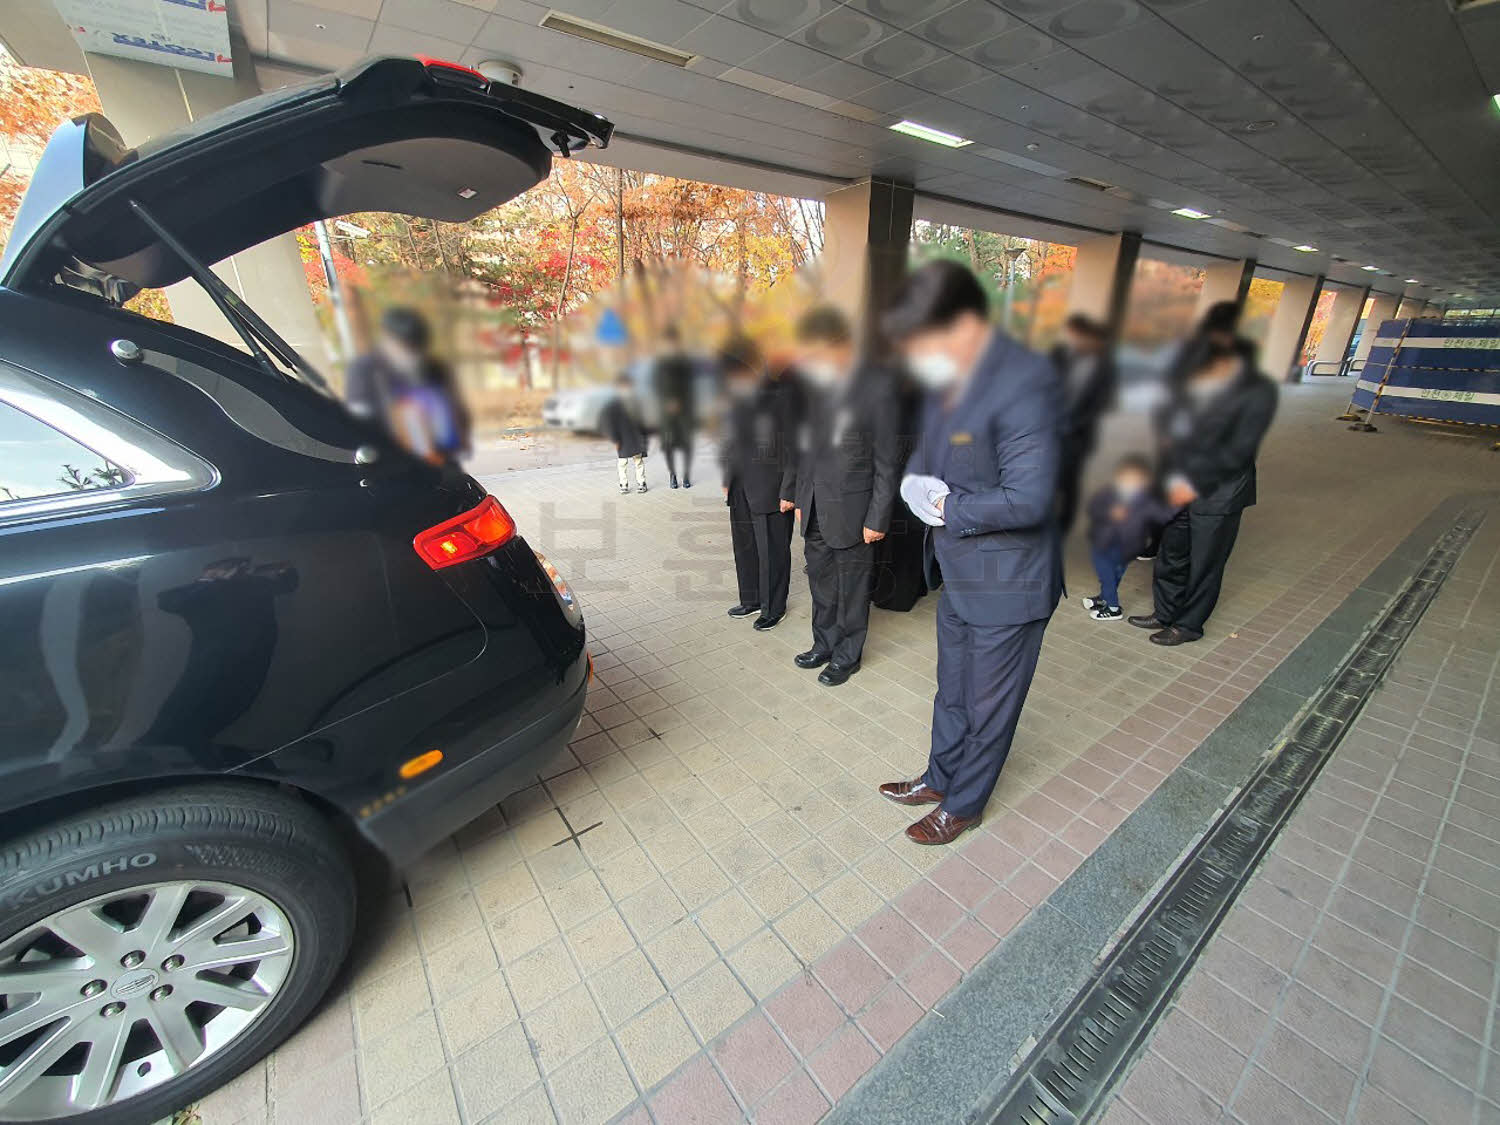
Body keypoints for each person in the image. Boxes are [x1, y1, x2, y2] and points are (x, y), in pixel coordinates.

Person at [878, 261, 1062, 846]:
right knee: (952, 688)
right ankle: (938, 776)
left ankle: (964, 803)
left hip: (1009, 582)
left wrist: (950, 508)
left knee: (988, 705)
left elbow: (1031, 495)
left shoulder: (1024, 384)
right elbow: (927, 456)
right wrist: (913, 484)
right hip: (958, 572)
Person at [1130, 340, 1277, 645]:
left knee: (1205, 563)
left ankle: (1188, 625)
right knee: (1172, 553)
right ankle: (1165, 612)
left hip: (1218, 493)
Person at [790, 305, 899, 686]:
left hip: (855, 512)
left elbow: (887, 461)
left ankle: (848, 655)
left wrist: (877, 517)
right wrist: (802, 499)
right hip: (816, 506)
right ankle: (824, 643)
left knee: (852, 590)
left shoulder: (876, 391)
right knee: (821, 582)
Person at [719, 335, 797, 630]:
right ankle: (750, 599)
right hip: (740, 484)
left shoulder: (782, 397)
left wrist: (790, 489)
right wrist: (727, 477)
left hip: (772, 487)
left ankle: (773, 607)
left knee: (773, 550)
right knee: (745, 546)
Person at [346, 307, 471, 465]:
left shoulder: (434, 368)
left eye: (414, 345)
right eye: (403, 344)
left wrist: (460, 439)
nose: (410, 351)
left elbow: (455, 405)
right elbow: (360, 416)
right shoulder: (365, 370)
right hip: (390, 463)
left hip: (441, 459)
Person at [1080, 454, 1175, 622]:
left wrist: (1178, 501)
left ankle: (1113, 607)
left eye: (1135, 480)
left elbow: (1162, 515)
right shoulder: (1108, 493)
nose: (1129, 483)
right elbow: (1093, 507)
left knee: (1109, 573)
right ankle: (1105, 597)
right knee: (1108, 573)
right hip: (1103, 542)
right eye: (1125, 478)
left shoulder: (1147, 501)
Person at [1050, 313, 1117, 535]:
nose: (1075, 340)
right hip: (1051, 428)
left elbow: (1103, 403)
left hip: (1078, 434)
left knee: (1069, 480)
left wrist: (1075, 424)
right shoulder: (1060, 355)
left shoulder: (1105, 367)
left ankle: (1064, 524)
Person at [653, 326, 697, 488]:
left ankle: (686, 475)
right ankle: (672, 475)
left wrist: (681, 401)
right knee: (668, 444)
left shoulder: (685, 360)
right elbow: (655, 385)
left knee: (687, 444)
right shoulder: (660, 362)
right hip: (666, 411)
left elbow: (691, 384)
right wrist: (666, 402)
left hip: (685, 409)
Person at [601, 372, 648, 494]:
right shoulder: (615, 404)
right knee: (622, 462)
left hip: (636, 437)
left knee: (638, 461)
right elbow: (612, 423)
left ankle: (641, 483)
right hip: (622, 437)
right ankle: (623, 484)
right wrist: (615, 439)